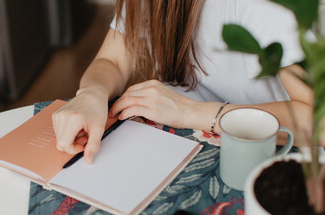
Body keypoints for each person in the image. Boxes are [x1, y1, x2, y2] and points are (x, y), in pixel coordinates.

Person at [52, 0, 316, 164]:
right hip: (183, 142)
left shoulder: (263, 6)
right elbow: (112, 61)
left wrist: (190, 112)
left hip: (274, 156)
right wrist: (91, 93)